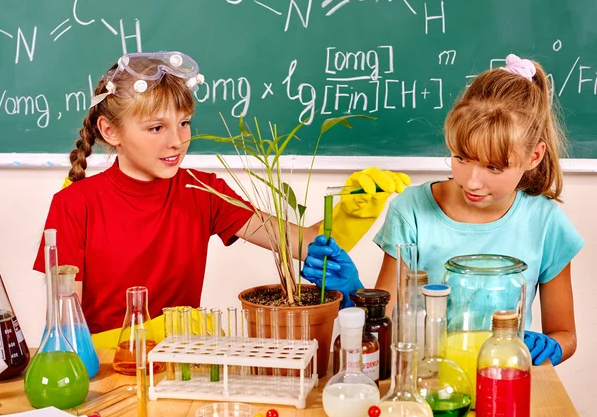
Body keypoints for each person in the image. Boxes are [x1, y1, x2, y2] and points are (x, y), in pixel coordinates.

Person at [33, 51, 408, 340]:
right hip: (105, 370)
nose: (176, 141)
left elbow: (301, 244)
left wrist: (353, 210)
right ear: (110, 131)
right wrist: (141, 339)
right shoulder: (73, 205)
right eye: (156, 127)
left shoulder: (203, 190)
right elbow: (65, 329)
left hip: (181, 361)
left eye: (183, 123)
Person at [303, 54, 584, 366]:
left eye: (493, 167)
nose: (473, 182)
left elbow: (564, 333)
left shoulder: (546, 224)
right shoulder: (411, 210)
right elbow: (384, 327)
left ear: (534, 156)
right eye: (461, 157)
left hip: (502, 384)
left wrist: (551, 345)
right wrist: (354, 294)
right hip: (428, 385)